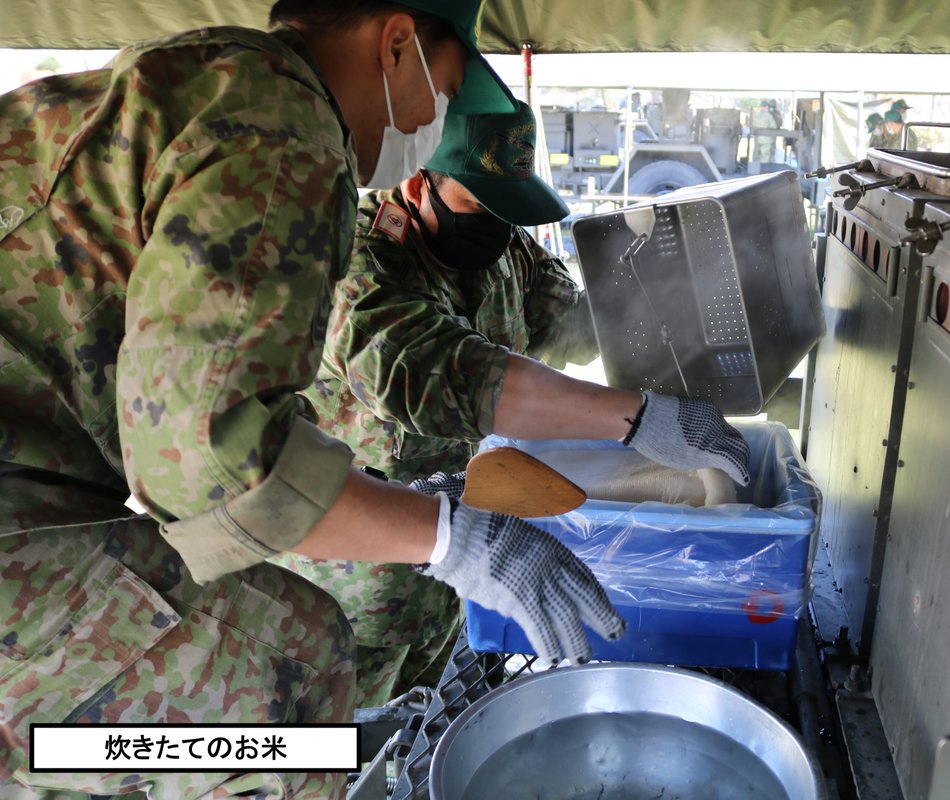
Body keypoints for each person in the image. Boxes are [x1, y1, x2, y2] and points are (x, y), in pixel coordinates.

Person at [0, 1, 670, 797]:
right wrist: (458, 538)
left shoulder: (214, 85)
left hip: (68, 509)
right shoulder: (283, 131)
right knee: (289, 667)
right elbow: (213, 469)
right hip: (325, 552)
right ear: (397, 44)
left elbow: (191, 460)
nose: (437, 115)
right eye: (448, 89)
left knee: (122, 746)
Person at [281, 99, 754, 706]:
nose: (498, 224)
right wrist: (635, 417)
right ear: (417, 181)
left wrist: (671, 316)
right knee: (335, 754)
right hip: (359, 577)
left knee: (418, 734)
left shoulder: (508, 250)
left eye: (510, 207)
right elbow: (433, 374)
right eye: (479, 203)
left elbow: (575, 329)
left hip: (472, 559)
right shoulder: (361, 263)